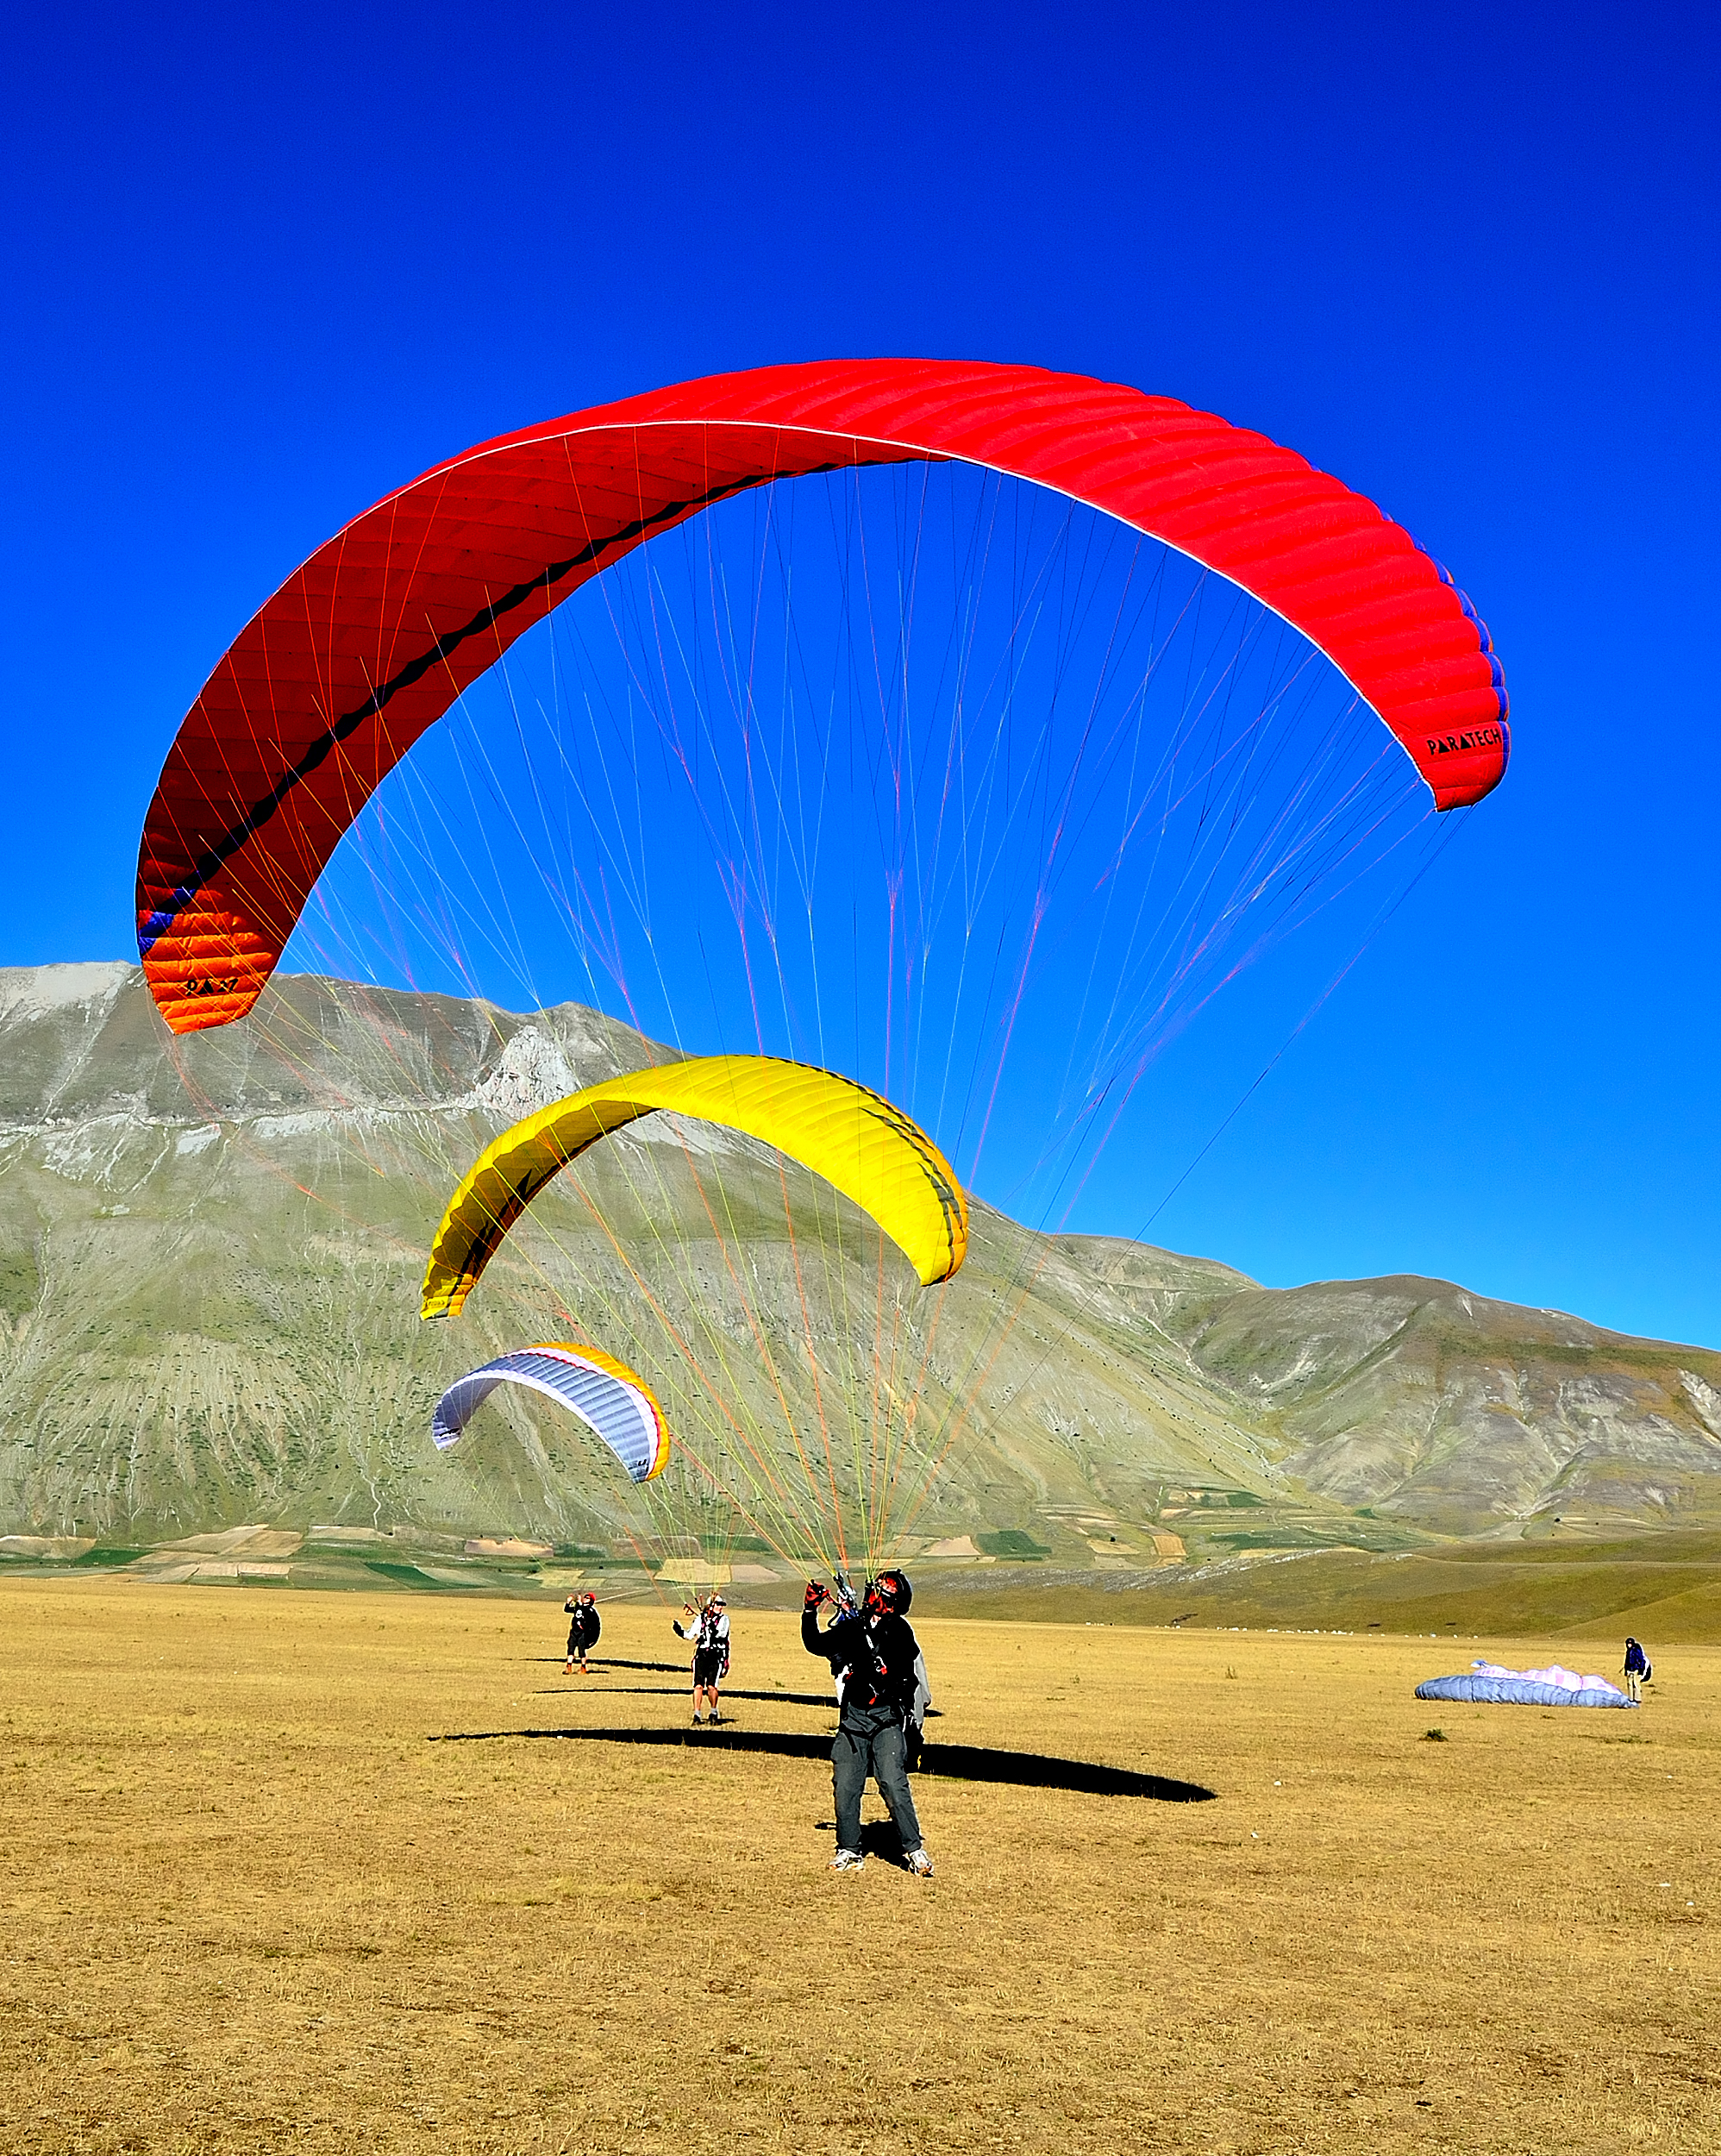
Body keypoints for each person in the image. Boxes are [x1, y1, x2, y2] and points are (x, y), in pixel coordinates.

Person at [803, 1569, 934, 1877]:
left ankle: (913, 1849)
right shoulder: (853, 1627)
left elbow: (905, 1668)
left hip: (886, 1719)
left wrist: (883, 1672)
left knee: (891, 1781)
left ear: (889, 1603)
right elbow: (816, 1644)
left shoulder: (899, 1630)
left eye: (880, 1591)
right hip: (853, 1721)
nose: (871, 1592)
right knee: (846, 1785)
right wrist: (810, 1610)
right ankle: (849, 1849)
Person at [673, 1592, 730, 1724]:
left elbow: (721, 1634)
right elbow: (690, 1635)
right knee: (698, 1686)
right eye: (718, 1604)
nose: (720, 1607)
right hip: (701, 1655)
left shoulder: (724, 1619)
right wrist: (680, 1631)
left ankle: (713, 1712)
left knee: (711, 1686)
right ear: (711, 1605)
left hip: (715, 1656)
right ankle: (697, 1715)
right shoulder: (701, 1619)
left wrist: (712, 1627)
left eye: (722, 1605)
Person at [563, 1590, 600, 1674]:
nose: (585, 1599)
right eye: (585, 1597)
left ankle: (583, 1667)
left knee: (581, 1651)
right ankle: (569, 1666)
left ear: (591, 1600)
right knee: (570, 1648)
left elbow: (590, 1619)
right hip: (574, 1631)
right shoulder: (579, 1607)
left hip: (583, 1633)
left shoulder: (590, 1610)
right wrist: (568, 1602)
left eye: (588, 1598)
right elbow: (567, 1610)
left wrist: (593, 1637)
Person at [1624, 1636, 1651, 1702]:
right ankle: (1631, 1698)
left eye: (1630, 1644)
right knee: (1630, 1684)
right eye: (1628, 1644)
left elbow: (1642, 1660)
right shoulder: (1628, 1651)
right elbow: (1627, 1661)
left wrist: (1641, 1669)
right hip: (1629, 1670)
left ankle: (1637, 1698)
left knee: (1636, 1684)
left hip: (1636, 1669)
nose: (1629, 1645)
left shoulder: (1636, 1650)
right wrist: (1625, 1669)